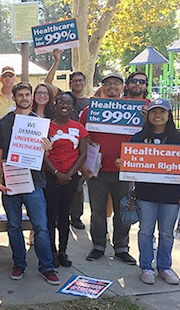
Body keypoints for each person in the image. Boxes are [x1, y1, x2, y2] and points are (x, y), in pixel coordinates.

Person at [0, 82, 60, 285]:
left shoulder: (40, 123)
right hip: (11, 181)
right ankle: (19, 264)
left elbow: (44, 152)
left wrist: (47, 147)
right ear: (14, 98)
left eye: (27, 94)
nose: (24, 98)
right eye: (20, 95)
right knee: (14, 226)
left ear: (31, 97)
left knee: (40, 226)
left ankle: (47, 267)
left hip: (35, 182)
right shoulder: (4, 123)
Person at [80, 73, 137, 265]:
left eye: (116, 83)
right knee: (97, 210)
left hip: (125, 169)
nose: (112, 86)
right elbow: (81, 139)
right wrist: (83, 165)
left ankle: (121, 247)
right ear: (102, 87)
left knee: (123, 211)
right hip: (97, 170)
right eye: (108, 83)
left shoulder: (135, 111)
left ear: (123, 88)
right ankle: (98, 246)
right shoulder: (90, 110)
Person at [130, 99, 180, 285]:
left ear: (169, 115)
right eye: (153, 112)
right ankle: (146, 267)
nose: (157, 116)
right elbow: (130, 163)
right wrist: (125, 163)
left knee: (167, 232)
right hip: (145, 194)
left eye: (162, 112)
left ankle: (165, 267)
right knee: (145, 232)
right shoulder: (138, 138)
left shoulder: (178, 138)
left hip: (171, 196)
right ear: (148, 115)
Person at [44, 49, 90, 229]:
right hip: (54, 166)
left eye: (81, 80)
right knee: (53, 210)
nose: (78, 83)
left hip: (79, 151)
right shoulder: (64, 96)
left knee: (77, 190)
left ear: (85, 83)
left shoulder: (92, 101)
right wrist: (56, 61)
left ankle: (75, 217)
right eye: (74, 80)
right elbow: (47, 83)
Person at [43, 92, 88, 268]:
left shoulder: (78, 128)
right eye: (61, 102)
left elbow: (83, 153)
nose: (64, 105)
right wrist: (56, 172)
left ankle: (63, 251)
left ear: (72, 107)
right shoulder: (46, 127)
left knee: (64, 215)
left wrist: (69, 174)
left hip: (70, 178)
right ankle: (52, 251)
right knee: (50, 215)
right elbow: (42, 153)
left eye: (68, 103)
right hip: (51, 176)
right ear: (55, 104)